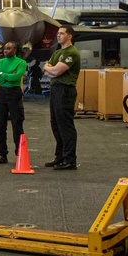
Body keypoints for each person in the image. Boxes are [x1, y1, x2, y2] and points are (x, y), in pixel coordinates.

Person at [43, 26, 80, 170]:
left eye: (62, 33)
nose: (58, 36)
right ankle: (60, 157)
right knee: (56, 124)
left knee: (65, 126)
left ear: (69, 36)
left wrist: (51, 70)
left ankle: (70, 160)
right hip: (55, 89)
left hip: (66, 90)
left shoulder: (72, 52)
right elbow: (47, 71)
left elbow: (55, 71)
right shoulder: (57, 52)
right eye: (57, 33)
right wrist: (50, 70)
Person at [0, 42, 26, 165]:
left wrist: (3, 75)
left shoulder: (21, 63)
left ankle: (19, 153)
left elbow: (17, 78)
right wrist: (8, 76)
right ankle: (2, 154)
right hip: (1, 94)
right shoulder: (0, 62)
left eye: (9, 48)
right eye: (5, 48)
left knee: (17, 124)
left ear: (15, 50)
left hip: (14, 94)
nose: (5, 50)